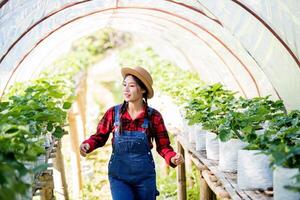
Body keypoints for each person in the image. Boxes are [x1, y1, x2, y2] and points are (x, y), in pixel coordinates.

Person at [80, 66, 184, 200]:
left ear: (143, 89)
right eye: (124, 85)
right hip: (119, 177)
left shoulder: (154, 116)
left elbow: (163, 146)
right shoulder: (113, 113)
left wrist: (173, 157)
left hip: (144, 178)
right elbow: (100, 136)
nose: (126, 89)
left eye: (132, 86)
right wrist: (87, 145)